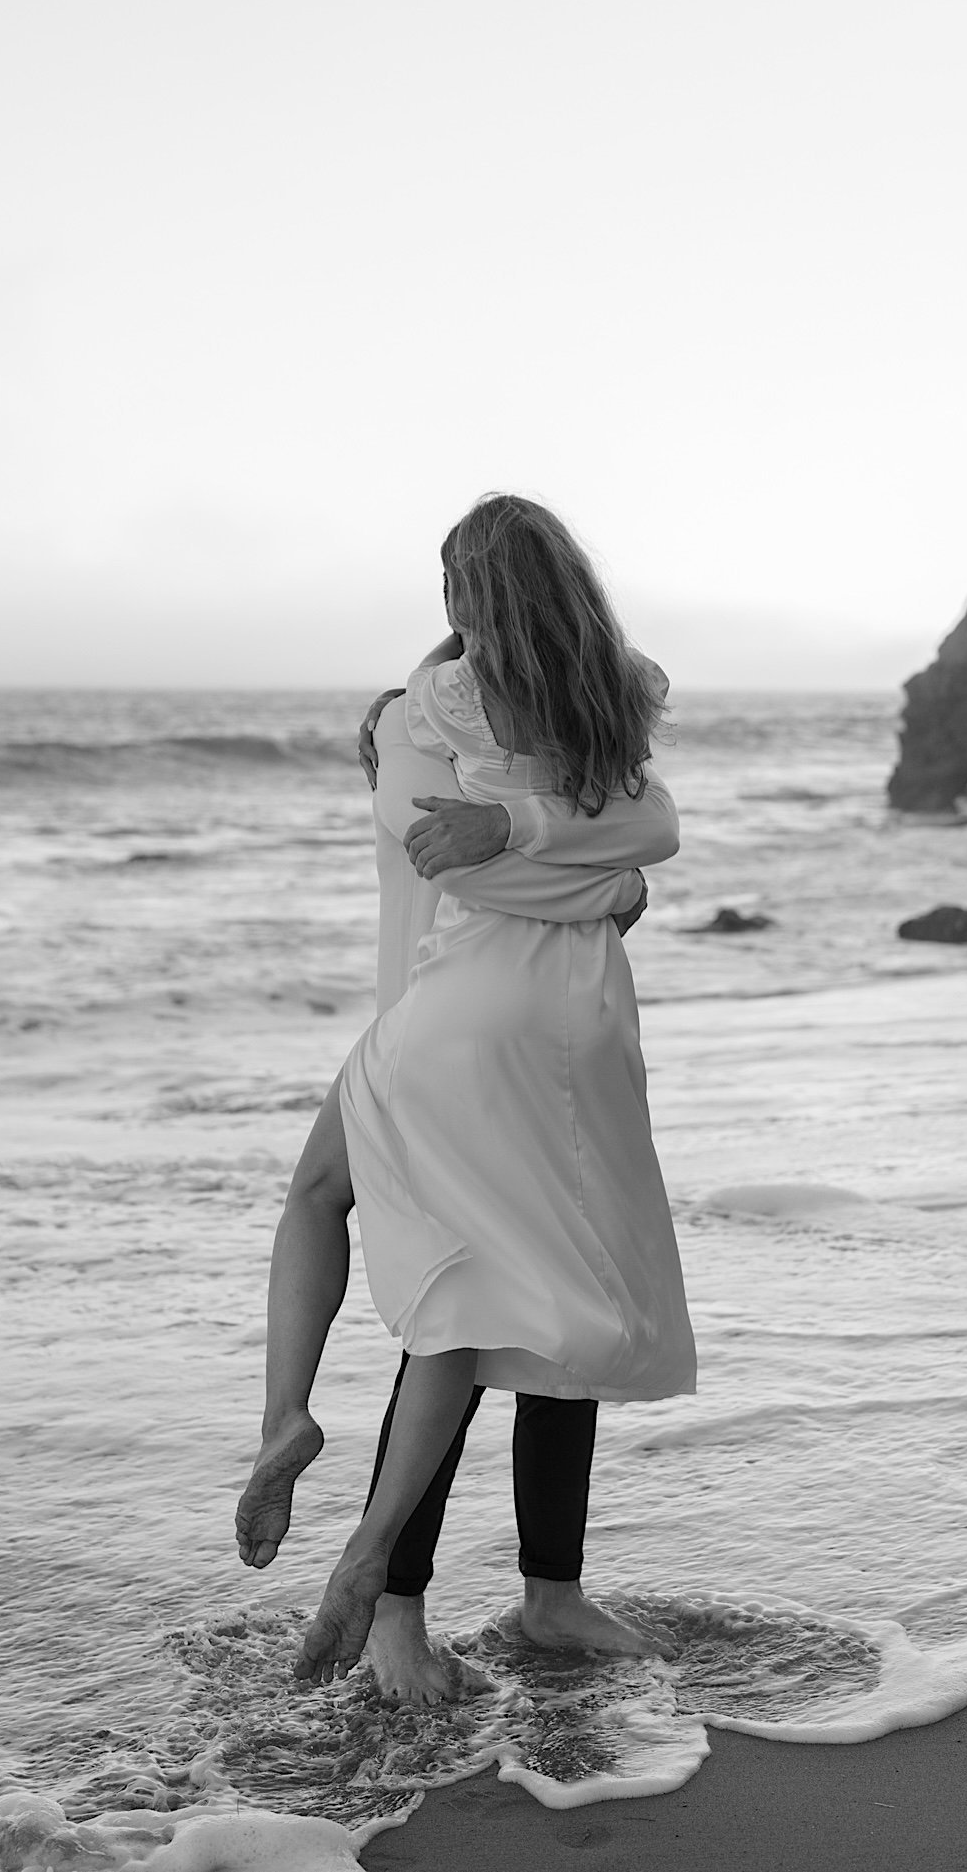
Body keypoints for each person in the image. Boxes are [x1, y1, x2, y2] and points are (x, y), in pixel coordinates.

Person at [238, 495, 696, 1692]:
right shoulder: (606, 699)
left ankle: (384, 1582)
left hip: (449, 1023)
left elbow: (444, 849)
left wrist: (506, 835)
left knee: (451, 1295)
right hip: (575, 1027)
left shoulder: (421, 709)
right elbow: (642, 831)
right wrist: (589, 881)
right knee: (557, 1291)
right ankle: (551, 1592)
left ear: (458, 597)